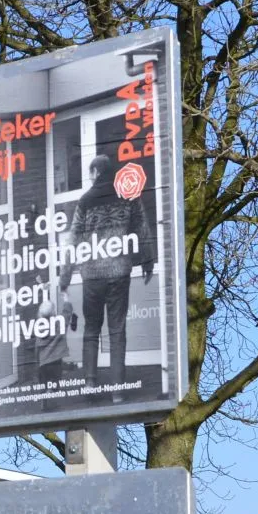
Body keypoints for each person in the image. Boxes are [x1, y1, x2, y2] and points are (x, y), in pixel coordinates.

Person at [67, 155, 154, 384]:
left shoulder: (85, 200)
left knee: (91, 329)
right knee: (117, 329)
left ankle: (89, 382)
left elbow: (74, 238)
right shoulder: (128, 195)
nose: (90, 178)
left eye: (90, 173)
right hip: (118, 272)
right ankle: (117, 388)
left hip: (92, 275)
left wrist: (65, 275)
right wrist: (147, 260)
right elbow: (141, 227)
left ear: (96, 172)